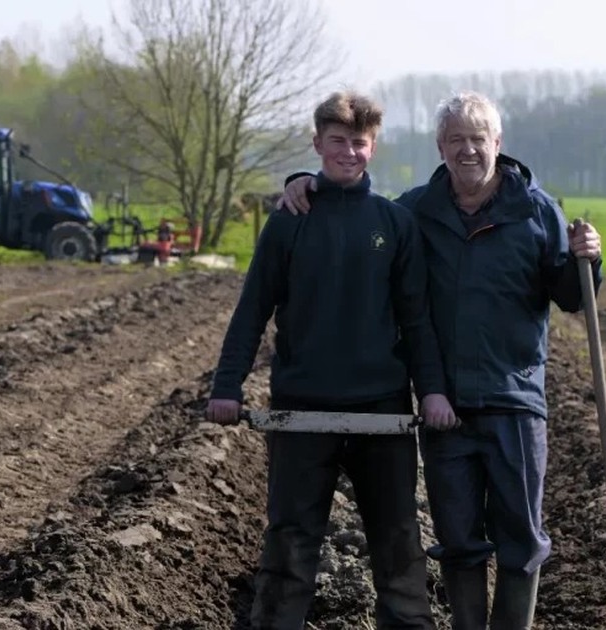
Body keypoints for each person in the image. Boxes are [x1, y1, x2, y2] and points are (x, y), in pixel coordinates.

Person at [277, 90, 604, 629]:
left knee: (521, 538)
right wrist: (305, 181)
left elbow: (571, 295)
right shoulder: (415, 211)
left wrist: (588, 261)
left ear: (498, 144)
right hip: (444, 405)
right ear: (440, 147)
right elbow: (358, 205)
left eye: (479, 139)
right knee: (457, 540)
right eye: (457, 140)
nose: (468, 150)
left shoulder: (536, 210)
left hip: (514, 402)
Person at [205, 90, 458, 630]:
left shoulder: (395, 225)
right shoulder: (288, 222)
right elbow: (253, 311)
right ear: (317, 143)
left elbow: (416, 322)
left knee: (397, 540)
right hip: (301, 408)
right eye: (337, 142)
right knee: (291, 541)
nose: (349, 153)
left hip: (382, 410)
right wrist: (227, 387)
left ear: (374, 148)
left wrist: (431, 390)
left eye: (359, 143)